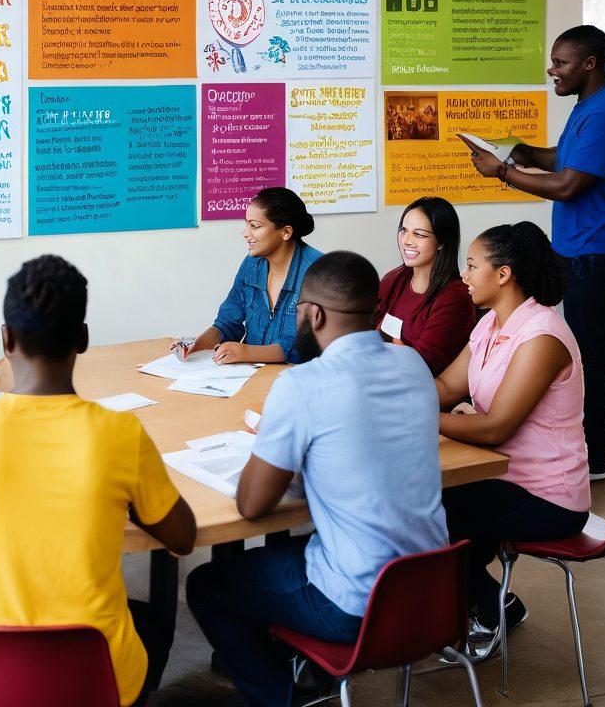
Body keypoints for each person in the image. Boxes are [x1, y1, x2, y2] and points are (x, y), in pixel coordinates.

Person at [0, 255, 196, 707]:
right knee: (151, 620)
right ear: (83, 339)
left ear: (5, 340)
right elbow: (182, 538)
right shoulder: (119, 434)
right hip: (99, 677)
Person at [186, 252, 447, 707]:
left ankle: (281, 697)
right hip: (435, 588)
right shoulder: (413, 367)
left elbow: (252, 505)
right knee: (284, 555)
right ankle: (304, 668)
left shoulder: (305, 384)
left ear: (314, 313)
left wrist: (272, 436)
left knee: (208, 586)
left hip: (356, 601)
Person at [462, 25, 605, 480]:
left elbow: (568, 184)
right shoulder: (591, 105)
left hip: (594, 250)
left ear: (590, 63)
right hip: (585, 247)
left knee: (587, 349)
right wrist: (517, 151)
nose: (551, 70)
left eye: (561, 63)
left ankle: (597, 457)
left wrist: (503, 172)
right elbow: (561, 160)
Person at [436, 222, 590, 643]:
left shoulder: (542, 335)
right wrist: (389, 384)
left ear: (503, 274)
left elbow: (495, 428)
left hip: (548, 495)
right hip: (503, 478)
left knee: (433, 518)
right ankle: (494, 603)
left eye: (471, 266)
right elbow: (447, 387)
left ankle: (486, 610)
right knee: (429, 509)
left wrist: (413, 414)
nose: (463, 276)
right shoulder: (489, 325)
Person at [176, 187, 322, 365]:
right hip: (251, 377)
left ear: (285, 232)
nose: (245, 233)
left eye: (254, 226)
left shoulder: (319, 271)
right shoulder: (251, 264)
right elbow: (228, 323)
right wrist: (197, 344)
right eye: (246, 224)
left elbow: (306, 346)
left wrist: (247, 352)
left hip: (298, 378)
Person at [374, 196, 476, 375]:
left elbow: (421, 367)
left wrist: (382, 347)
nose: (406, 240)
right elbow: (366, 334)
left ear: (441, 242)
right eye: (403, 230)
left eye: (419, 234)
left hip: (419, 392)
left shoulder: (455, 298)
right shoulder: (394, 279)